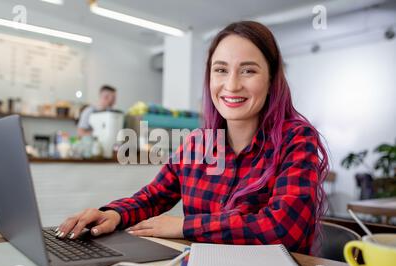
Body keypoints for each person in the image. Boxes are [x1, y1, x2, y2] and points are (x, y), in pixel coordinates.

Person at [56, 21, 329, 254]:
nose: (231, 84)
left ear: (271, 80)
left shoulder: (296, 139)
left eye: (248, 70)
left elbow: (282, 229)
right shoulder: (197, 144)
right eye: (221, 70)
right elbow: (153, 198)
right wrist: (113, 214)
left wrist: (183, 226)